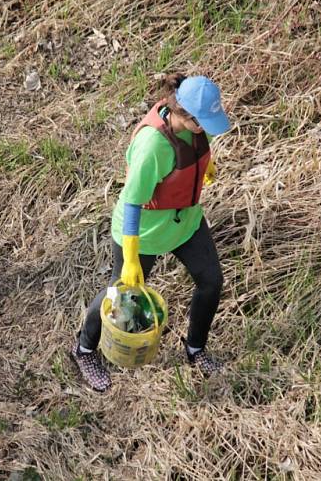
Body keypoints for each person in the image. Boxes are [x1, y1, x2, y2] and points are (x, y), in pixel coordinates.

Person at [71, 74, 230, 391]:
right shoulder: (153, 146)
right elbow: (131, 203)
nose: (207, 128)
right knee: (120, 294)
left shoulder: (196, 127)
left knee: (211, 281)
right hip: (142, 233)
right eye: (204, 122)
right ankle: (84, 349)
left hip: (184, 222)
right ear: (183, 113)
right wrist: (130, 258)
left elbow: (195, 152)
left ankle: (195, 349)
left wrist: (204, 168)